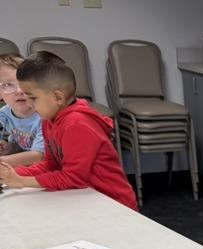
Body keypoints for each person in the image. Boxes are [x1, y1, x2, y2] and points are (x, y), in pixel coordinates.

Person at [0, 51, 137, 210]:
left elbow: (73, 178)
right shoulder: (48, 119)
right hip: (85, 199)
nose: (29, 104)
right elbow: (50, 164)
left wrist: (20, 181)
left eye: (33, 98)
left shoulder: (77, 124)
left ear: (58, 98)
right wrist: (11, 173)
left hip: (114, 205)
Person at [0, 54, 44, 167]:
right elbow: (23, 145)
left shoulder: (44, 114)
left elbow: (39, 155)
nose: (19, 91)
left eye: (23, 83)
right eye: (8, 84)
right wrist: (10, 147)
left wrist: (2, 161)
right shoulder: (5, 114)